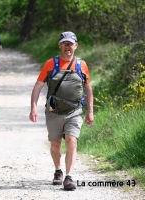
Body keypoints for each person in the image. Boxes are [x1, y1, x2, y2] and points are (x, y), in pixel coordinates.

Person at [29, 31, 94, 190]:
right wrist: (33, 108)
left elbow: (88, 89)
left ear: (76, 46)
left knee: (72, 141)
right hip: (54, 111)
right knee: (55, 143)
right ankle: (58, 170)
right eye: (64, 43)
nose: (67, 47)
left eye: (70, 44)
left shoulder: (81, 65)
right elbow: (38, 87)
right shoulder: (50, 64)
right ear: (60, 45)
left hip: (74, 111)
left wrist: (90, 111)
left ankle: (69, 177)